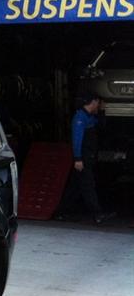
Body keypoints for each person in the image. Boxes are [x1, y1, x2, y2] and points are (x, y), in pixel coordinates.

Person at [62, 93, 114, 224]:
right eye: (99, 103)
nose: (100, 105)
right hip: (82, 158)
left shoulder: (90, 117)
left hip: (87, 157)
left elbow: (102, 125)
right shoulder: (80, 117)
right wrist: (78, 159)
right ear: (94, 102)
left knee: (75, 187)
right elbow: (77, 140)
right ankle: (97, 214)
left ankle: (62, 212)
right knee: (88, 185)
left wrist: (101, 111)